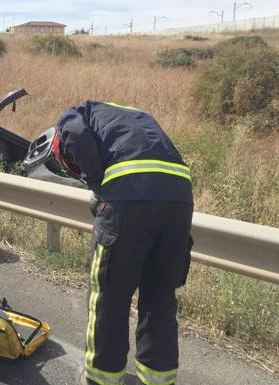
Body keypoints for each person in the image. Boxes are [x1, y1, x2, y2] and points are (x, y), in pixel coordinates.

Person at [50, 101, 193, 385]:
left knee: (109, 298)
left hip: (128, 203)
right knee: (160, 298)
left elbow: (76, 136)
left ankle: (101, 378)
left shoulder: (74, 114)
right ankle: (157, 380)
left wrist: (96, 183)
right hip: (179, 199)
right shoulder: (140, 116)